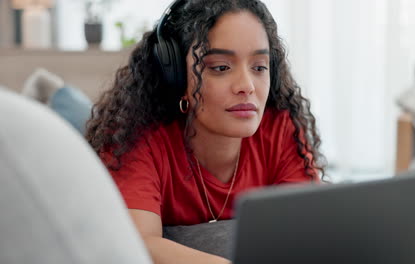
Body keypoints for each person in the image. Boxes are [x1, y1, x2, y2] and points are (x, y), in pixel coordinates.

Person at [86, 0, 325, 263]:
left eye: (259, 67)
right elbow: (137, 244)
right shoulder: (133, 137)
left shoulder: (281, 127)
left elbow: (308, 236)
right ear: (176, 74)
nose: (247, 86)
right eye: (221, 67)